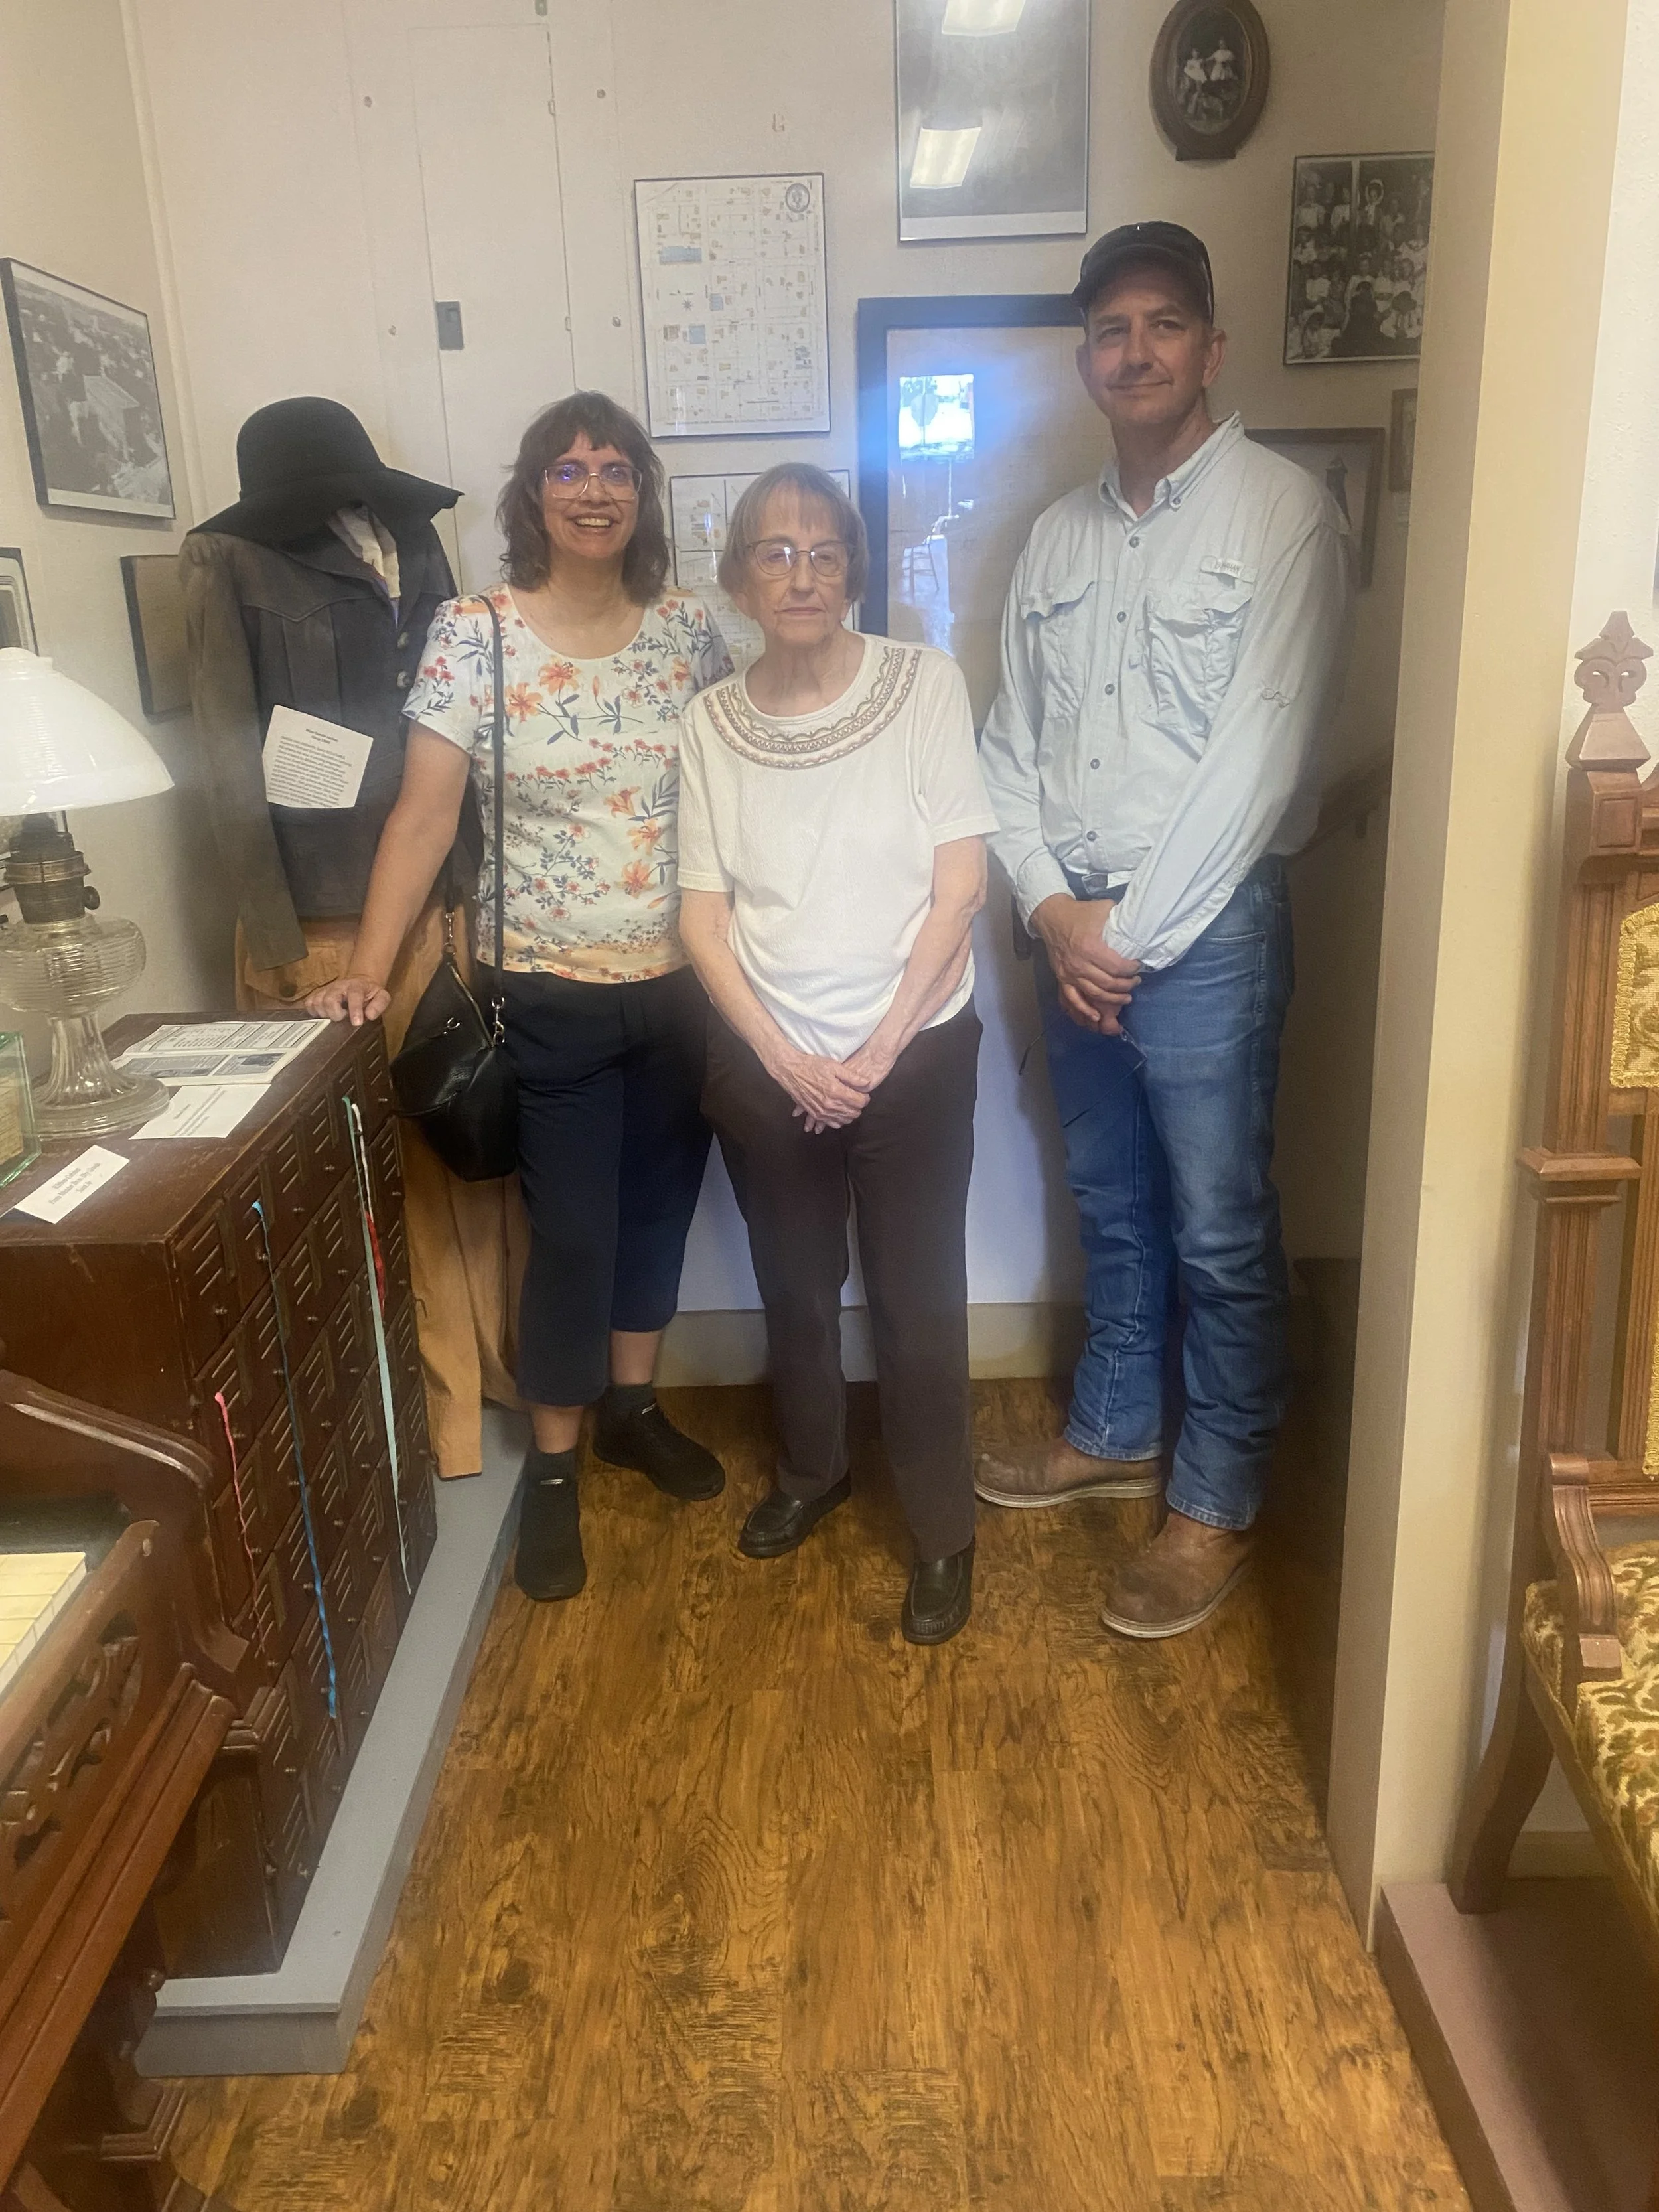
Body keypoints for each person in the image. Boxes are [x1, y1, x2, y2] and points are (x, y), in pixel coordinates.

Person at [975, 222, 1352, 1639]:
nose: (1130, 353)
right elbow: (1006, 742)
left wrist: (1118, 934)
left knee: (1217, 1228)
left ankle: (1213, 1502)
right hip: (1073, 927)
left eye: (1158, 325)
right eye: (1107, 332)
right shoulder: (1054, 537)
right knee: (1113, 1211)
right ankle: (1114, 1427)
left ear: (1208, 343)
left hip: (1201, 936)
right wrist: (1052, 908)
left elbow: (1258, 758)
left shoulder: (1277, 513)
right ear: (1084, 359)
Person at [308, 391, 733, 1603]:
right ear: (533, 496)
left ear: (642, 493)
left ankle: (634, 1411)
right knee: (577, 1238)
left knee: (658, 1215)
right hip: (544, 993)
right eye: (567, 469)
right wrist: (368, 969)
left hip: (687, 986)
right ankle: (554, 1468)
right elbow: (425, 815)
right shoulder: (476, 634)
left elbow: (746, 788)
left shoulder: (691, 634)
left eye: (615, 468)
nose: (593, 488)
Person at [676, 465, 997, 1646]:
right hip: (770, 1060)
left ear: (853, 567)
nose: (800, 573)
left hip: (913, 1050)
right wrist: (785, 1055)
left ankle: (943, 1531)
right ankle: (814, 1472)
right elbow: (702, 917)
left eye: (821, 552)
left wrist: (873, 1048)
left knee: (918, 1305)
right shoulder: (711, 721)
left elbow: (960, 888)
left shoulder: (924, 686)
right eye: (773, 551)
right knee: (797, 1288)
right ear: (741, 577)